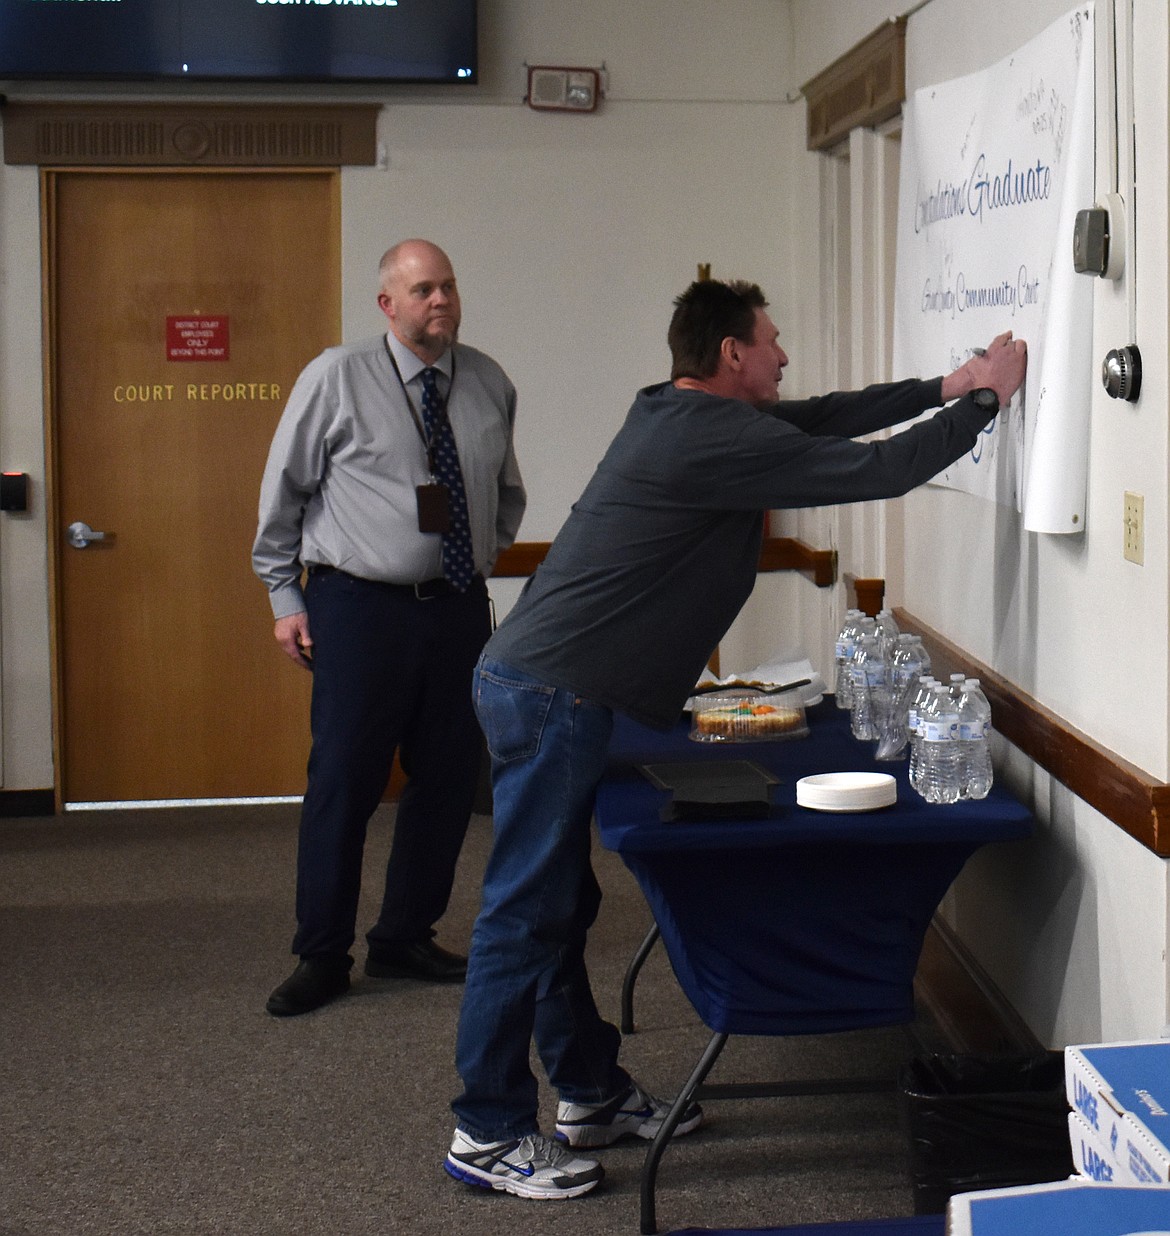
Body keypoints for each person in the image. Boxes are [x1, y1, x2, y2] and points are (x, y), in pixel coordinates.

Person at [443, 277, 1027, 1198]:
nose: (784, 357)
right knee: (524, 913)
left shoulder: (683, 415)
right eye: (773, 342)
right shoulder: (706, 437)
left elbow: (826, 417)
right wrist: (991, 399)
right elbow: (874, 471)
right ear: (731, 355)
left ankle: (588, 1090)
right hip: (553, 692)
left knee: (557, 908)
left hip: (549, 686)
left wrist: (939, 389)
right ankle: (486, 1128)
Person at [253, 239, 526, 1017]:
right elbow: (284, 496)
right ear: (388, 304)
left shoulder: (488, 381)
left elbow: (505, 495)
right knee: (345, 781)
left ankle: (405, 934)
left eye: (448, 286)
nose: (440, 301)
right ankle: (322, 953)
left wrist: (467, 558)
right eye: (422, 290)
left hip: (455, 610)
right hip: (359, 607)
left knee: (444, 779)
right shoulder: (336, 377)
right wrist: (283, 597)